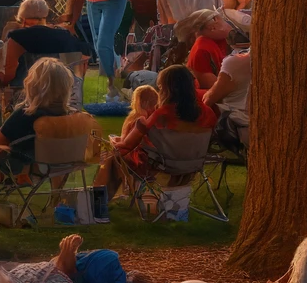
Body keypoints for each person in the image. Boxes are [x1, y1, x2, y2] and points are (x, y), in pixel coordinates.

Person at [0, 57, 80, 228]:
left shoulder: (27, 114)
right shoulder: (71, 115)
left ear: (33, 85)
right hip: (57, 166)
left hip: (20, 166)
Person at [91, 65, 216, 201]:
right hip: (192, 168)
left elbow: (127, 145)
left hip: (161, 167)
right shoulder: (208, 114)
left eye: (161, 87)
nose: (159, 91)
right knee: (117, 155)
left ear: (168, 90)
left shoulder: (161, 115)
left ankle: (98, 204)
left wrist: (114, 146)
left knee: (112, 158)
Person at [0, 0, 84, 88]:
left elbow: (9, 72)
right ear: (45, 15)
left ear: (23, 17)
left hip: (24, 91)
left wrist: (0, 80)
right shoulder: (63, 35)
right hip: (57, 90)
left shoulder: (17, 37)